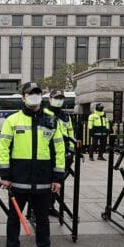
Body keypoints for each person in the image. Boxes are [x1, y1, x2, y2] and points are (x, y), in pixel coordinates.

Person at [0, 82, 65, 247]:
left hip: (44, 179)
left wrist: (57, 178)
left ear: (41, 97)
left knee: (43, 219)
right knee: (14, 219)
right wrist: (5, 174)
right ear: (23, 98)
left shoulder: (52, 120)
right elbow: (4, 148)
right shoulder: (12, 120)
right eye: (30, 94)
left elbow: (59, 149)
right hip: (18, 179)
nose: (34, 97)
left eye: (37, 93)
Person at [44, 90, 75, 218]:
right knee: (45, 182)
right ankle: (38, 209)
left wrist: (72, 151)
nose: (59, 100)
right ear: (50, 99)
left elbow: (71, 133)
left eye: (61, 98)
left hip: (63, 153)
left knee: (57, 181)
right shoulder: (44, 113)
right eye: (56, 98)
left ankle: (51, 205)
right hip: (48, 152)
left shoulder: (66, 116)